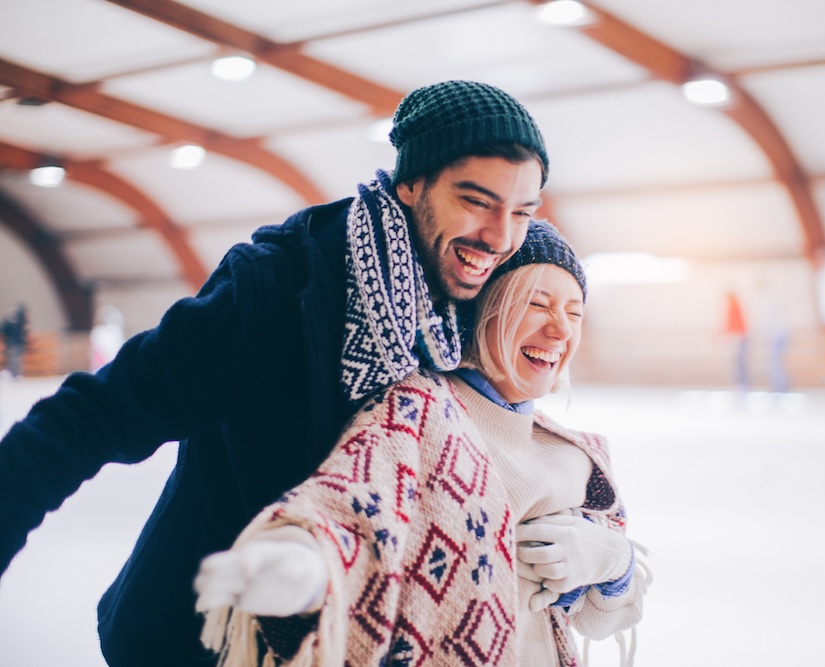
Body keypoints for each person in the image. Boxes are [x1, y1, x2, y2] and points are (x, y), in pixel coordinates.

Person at [0, 80, 549, 667]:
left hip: (360, 639)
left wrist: (592, 543)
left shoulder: (471, 301)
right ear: (411, 182)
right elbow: (92, 418)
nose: (500, 236)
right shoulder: (276, 288)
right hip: (203, 640)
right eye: (476, 200)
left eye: (522, 211)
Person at [194, 221, 647, 666]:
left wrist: (613, 565)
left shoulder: (576, 454)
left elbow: (603, 619)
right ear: (484, 307)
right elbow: (351, 502)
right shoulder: (422, 410)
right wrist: (306, 569)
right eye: (537, 303)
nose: (561, 330)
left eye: (574, 313)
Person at [723, 289, 748, 390]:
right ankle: (741, 383)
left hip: (740, 338)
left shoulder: (734, 306)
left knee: (739, 362)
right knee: (738, 362)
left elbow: (736, 323)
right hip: (737, 337)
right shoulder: (733, 306)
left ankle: (742, 384)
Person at [1, 303, 29, 379]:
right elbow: (3, 330)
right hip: (12, 343)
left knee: (16, 358)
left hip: (16, 342)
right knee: (14, 359)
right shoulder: (14, 320)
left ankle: (15, 374)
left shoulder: (19, 320)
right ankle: (14, 374)